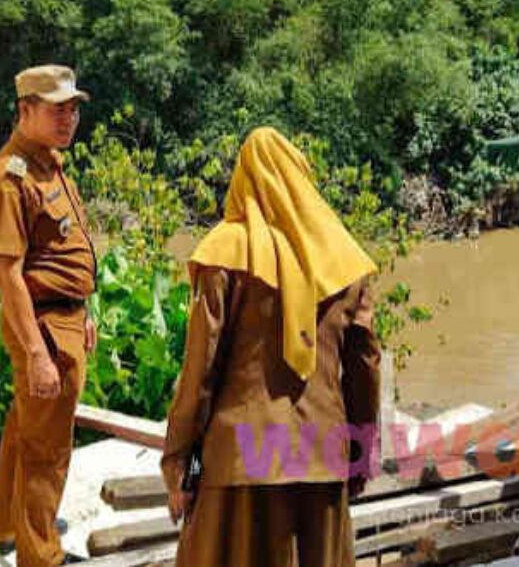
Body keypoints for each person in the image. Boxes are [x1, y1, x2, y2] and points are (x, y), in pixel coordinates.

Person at [161, 127, 380, 567]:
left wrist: (178, 459)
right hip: (321, 452)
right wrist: (359, 452)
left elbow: (200, 370)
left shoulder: (225, 251)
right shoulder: (346, 258)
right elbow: (364, 367)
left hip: (240, 460)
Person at [0, 65, 98, 566]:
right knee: (47, 449)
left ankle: (9, 529)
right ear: (25, 110)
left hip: (63, 318)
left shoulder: (48, 163)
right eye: (56, 109)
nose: (68, 118)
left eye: (72, 108)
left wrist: (82, 307)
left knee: (26, 431)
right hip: (42, 329)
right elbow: (9, 275)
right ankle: (41, 554)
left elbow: (63, 249)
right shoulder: (8, 181)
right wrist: (36, 354)